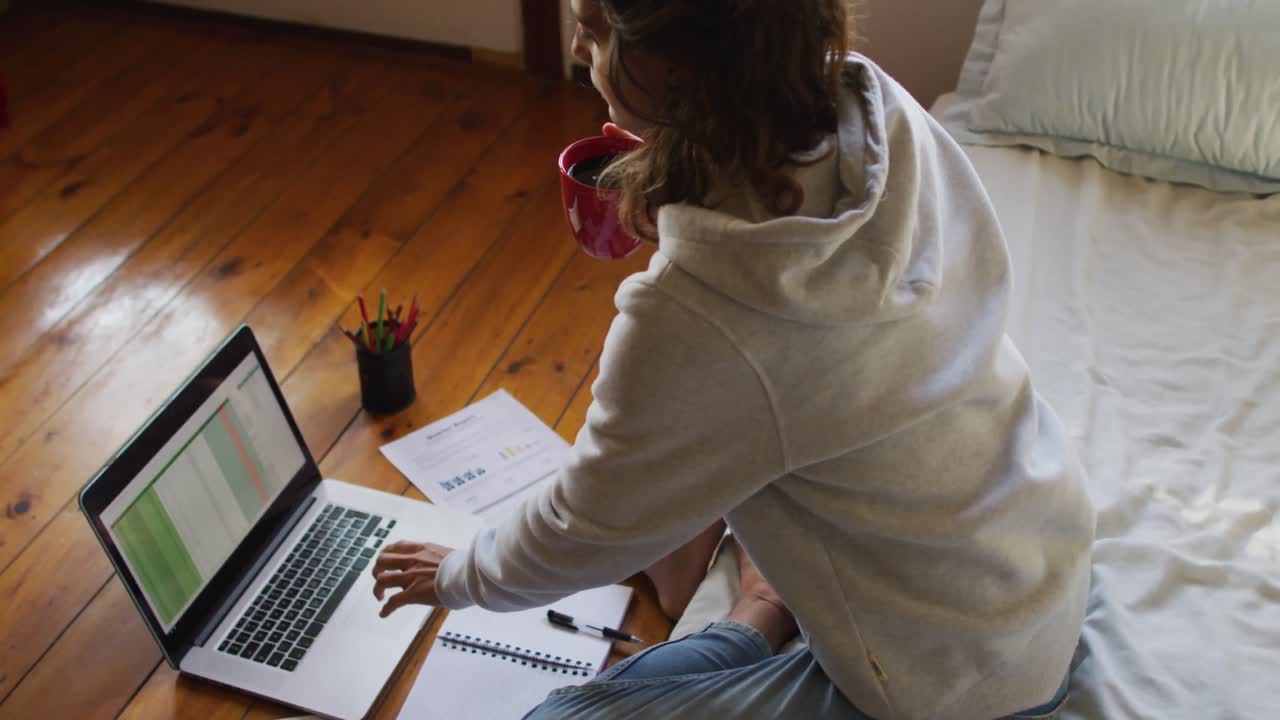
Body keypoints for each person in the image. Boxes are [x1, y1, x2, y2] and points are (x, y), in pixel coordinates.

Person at [370, 1, 1096, 717]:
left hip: (955, 681)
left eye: (593, 33)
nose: (576, 50)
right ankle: (762, 605)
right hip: (1034, 554)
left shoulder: (699, 318)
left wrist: (461, 574)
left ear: (677, 69)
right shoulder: (874, 107)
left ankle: (756, 614)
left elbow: (581, 530)